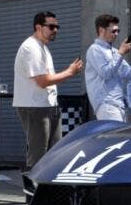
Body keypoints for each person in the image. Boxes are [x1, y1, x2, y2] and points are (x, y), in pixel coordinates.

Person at [13, 11, 83, 169]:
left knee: (55, 152)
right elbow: (43, 81)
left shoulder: (42, 47)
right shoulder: (31, 48)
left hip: (47, 105)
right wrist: (69, 72)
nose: (55, 30)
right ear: (39, 27)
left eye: (57, 27)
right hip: (35, 107)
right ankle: (33, 193)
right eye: (51, 27)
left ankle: (51, 192)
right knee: (38, 155)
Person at [84, 13, 131, 121]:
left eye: (118, 31)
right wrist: (120, 53)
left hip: (119, 104)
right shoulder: (94, 49)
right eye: (113, 31)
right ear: (101, 30)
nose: (116, 34)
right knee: (114, 137)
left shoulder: (114, 52)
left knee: (120, 137)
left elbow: (129, 74)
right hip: (106, 104)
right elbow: (106, 73)